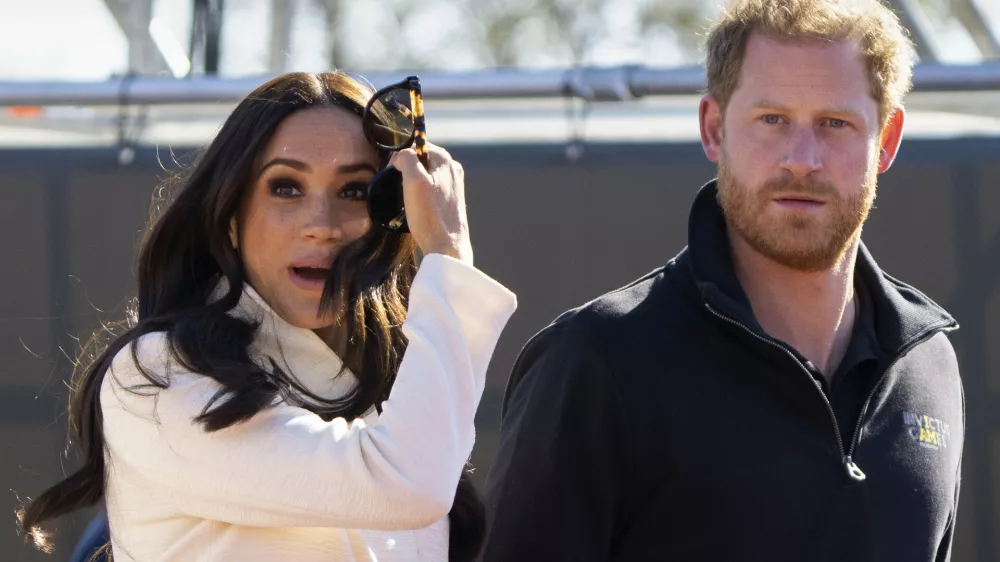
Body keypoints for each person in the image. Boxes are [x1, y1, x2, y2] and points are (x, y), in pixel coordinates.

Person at [482, 0, 964, 560]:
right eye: (772, 119)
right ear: (714, 128)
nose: (802, 158)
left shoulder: (929, 365)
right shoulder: (597, 362)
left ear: (885, 140)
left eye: (835, 123)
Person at [19, 71, 517, 562]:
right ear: (231, 217)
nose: (321, 226)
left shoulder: (404, 393)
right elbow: (405, 484)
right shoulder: (159, 374)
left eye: (353, 191)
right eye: (285, 187)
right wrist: (449, 256)